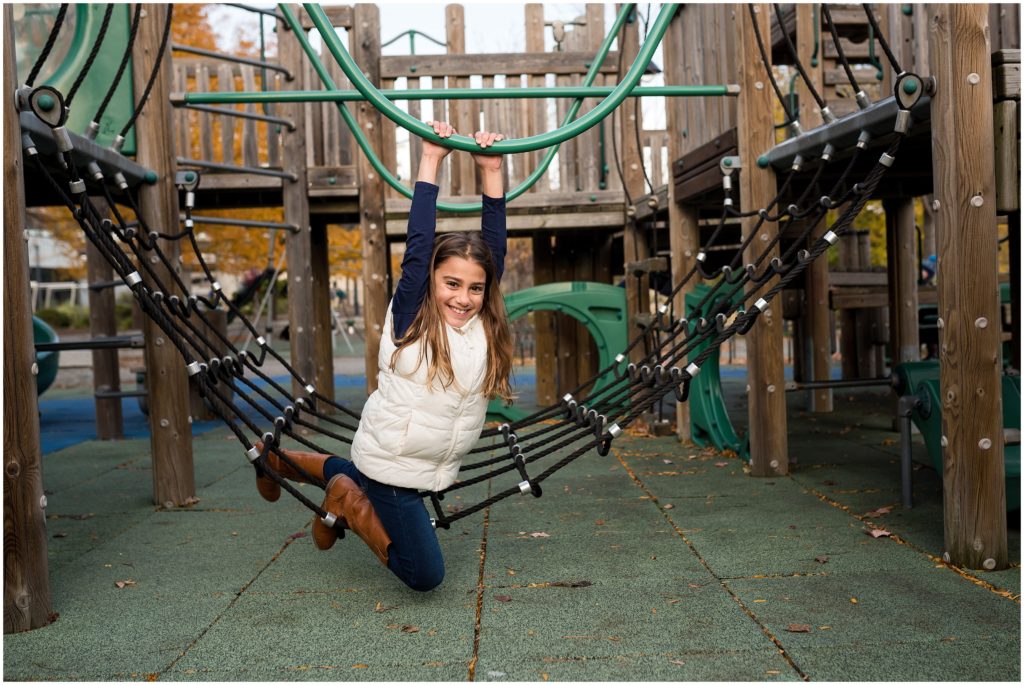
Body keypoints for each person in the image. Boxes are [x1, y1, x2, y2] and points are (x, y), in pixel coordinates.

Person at [254, 121, 513, 592]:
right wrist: (431, 159)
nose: (464, 297)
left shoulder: (480, 323)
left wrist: (491, 173)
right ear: (431, 282)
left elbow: (495, 251)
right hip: (395, 468)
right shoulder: (412, 319)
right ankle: (350, 504)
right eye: (452, 284)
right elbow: (418, 245)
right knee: (424, 575)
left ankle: (278, 460)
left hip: (409, 460)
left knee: (363, 473)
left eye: (475, 288)